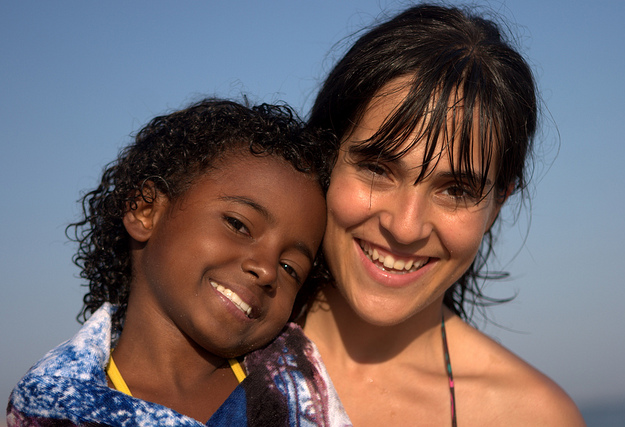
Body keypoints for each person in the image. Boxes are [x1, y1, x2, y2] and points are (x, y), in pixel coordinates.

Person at [302, 4, 586, 426]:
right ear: (327, 155)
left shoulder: (532, 416)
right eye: (378, 169)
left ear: (498, 205)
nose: (404, 226)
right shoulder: (208, 346)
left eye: (455, 190)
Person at [7, 99, 351, 426]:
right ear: (146, 210)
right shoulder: (52, 405)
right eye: (238, 225)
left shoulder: (304, 388)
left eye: (291, 268)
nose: (266, 270)